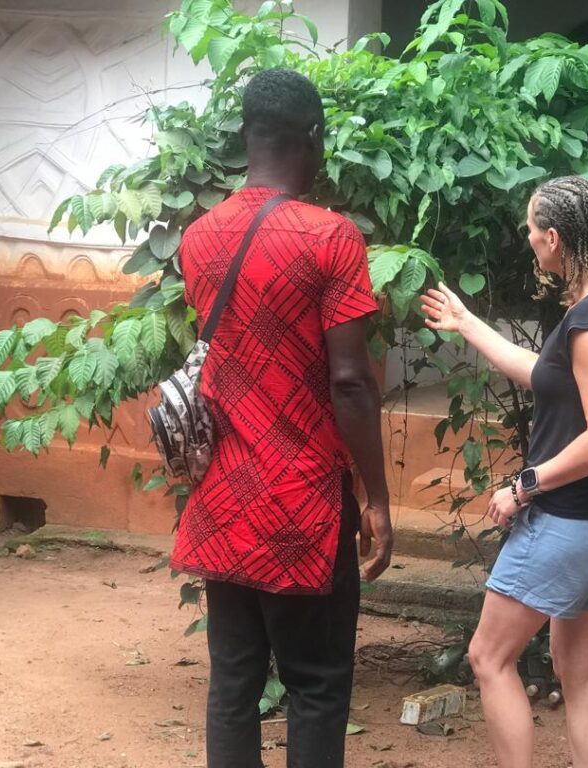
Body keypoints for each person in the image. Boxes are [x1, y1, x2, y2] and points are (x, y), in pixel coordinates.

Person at [169, 68, 392, 768]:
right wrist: (378, 499)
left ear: (246, 136)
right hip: (303, 506)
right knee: (317, 687)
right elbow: (350, 382)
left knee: (232, 685)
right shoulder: (331, 240)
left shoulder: (199, 238)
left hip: (220, 500)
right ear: (315, 139)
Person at [420, 175, 588, 768]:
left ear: (552, 238)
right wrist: (468, 325)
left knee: (488, 658)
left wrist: (525, 484)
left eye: (530, 229)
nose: (526, 239)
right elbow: (545, 375)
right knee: (576, 668)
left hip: (577, 520)